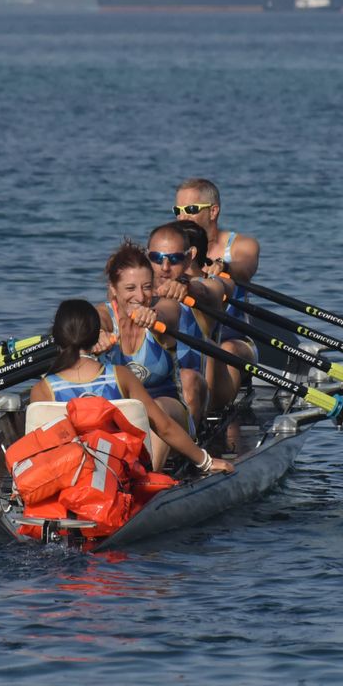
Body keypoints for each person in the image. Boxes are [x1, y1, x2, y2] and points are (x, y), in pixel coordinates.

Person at [29, 299, 232, 475]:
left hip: (68, 475)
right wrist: (206, 461)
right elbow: (164, 426)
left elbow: (38, 449)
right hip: (120, 474)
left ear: (56, 337)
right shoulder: (120, 375)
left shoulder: (43, 389)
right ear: (94, 336)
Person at [95, 241, 194, 471]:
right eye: (130, 289)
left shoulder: (166, 308)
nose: (140, 296)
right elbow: (92, 319)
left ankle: (148, 477)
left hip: (170, 418)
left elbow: (168, 314)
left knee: (154, 408)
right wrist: (95, 334)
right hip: (119, 420)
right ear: (113, 289)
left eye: (147, 287)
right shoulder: (103, 315)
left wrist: (154, 316)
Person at [172, 179, 260, 410]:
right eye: (177, 211)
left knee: (223, 350)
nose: (182, 218)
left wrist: (225, 268)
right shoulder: (170, 249)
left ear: (213, 211)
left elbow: (245, 269)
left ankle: (213, 412)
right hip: (188, 336)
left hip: (233, 338)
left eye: (190, 210)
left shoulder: (242, 245)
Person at [144, 222, 211, 428]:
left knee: (187, 377)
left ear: (189, 257)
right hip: (144, 390)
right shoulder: (133, 294)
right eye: (157, 258)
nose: (165, 268)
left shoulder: (200, 288)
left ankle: (190, 443)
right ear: (147, 257)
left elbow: (208, 290)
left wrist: (187, 287)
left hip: (190, 390)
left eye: (174, 259)